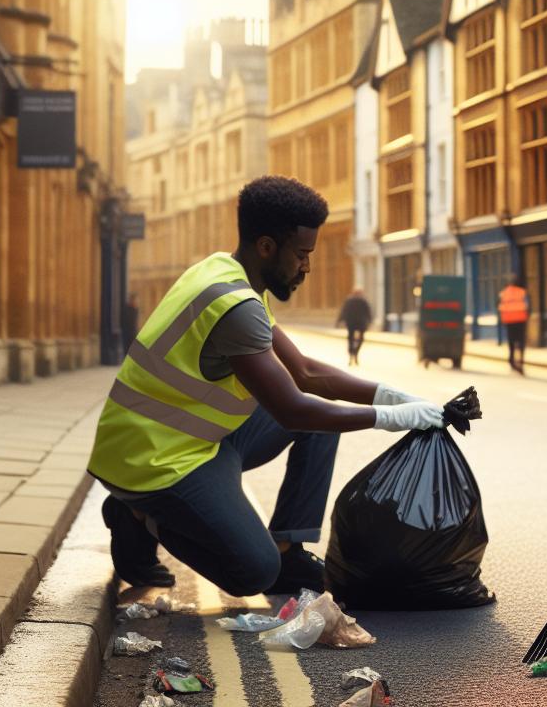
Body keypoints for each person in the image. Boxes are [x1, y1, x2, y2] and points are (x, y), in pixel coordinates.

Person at [87, 175, 444, 597]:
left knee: (318, 428)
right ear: (267, 247)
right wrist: (393, 417)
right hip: (155, 461)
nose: (307, 266)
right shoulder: (233, 306)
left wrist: (394, 395)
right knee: (254, 573)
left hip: (198, 440)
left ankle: (287, 547)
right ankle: (138, 514)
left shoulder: (229, 273)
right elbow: (293, 408)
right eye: (302, 254)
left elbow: (306, 372)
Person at [497, 275, 529, 374]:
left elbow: (498, 306)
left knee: (511, 341)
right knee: (521, 341)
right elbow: (528, 306)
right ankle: (521, 360)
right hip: (521, 320)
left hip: (509, 320)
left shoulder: (503, 293)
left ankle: (511, 360)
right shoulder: (523, 293)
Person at [337, 288, 373, 366]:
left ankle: (351, 353)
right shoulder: (363, 300)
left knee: (350, 339)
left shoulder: (349, 300)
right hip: (361, 323)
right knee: (360, 339)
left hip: (351, 323)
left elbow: (343, 311)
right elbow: (369, 312)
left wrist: (339, 321)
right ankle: (355, 352)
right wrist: (370, 322)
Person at [120, 292, 139, 358]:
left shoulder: (136, 309)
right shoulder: (127, 309)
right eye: (134, 300)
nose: (136, 302)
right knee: (127, 349)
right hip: (127, 333)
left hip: (133, 333)